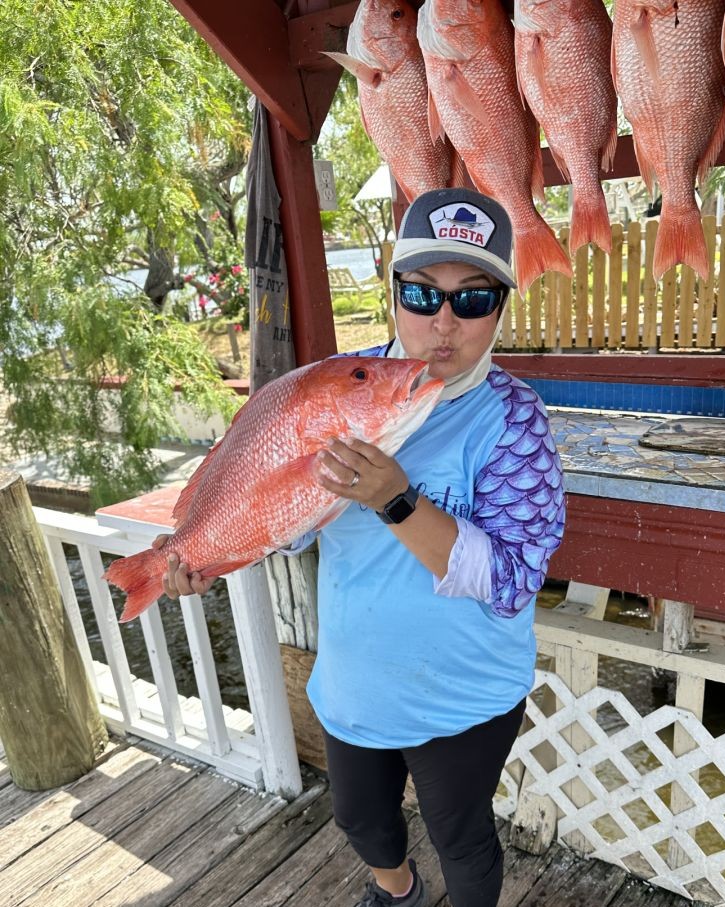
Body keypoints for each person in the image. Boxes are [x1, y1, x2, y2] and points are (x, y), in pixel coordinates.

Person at [158, 187, 565, 907]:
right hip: (356, 681)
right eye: (420, 293)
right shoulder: (337, 388)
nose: (443, 323)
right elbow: (285, 524)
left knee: (462, 837)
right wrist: (207, 553)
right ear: (392, 289)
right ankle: (395, 893)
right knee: (360, 818)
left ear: (500, 307)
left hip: (463, 694)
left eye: (472, 299)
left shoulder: (516, 421)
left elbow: (512, 578)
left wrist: (398, 500)